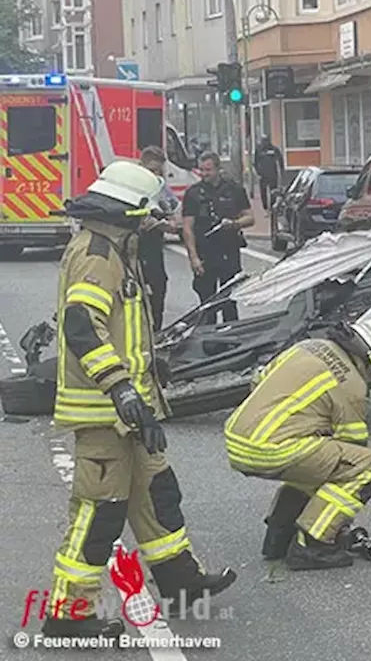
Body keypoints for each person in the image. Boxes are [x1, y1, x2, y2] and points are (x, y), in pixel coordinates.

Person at [44, 161, 235, 639]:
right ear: (129, 211)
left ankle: (179, 581)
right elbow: (82, 326)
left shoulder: (117, 248)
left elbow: (120, 328)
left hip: (132, 408)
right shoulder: (98, 253)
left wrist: (150, 370)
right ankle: (68, 614)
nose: (153, 223)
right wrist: (121, 386)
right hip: (105, 411)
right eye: (147, 214)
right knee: (100, 510)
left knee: (157, 493)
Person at [223, 307, 371, 570]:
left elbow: (258, 380)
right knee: (369, 467)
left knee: (317, 458)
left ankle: (279, 536)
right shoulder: (353, 385)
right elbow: (352, 449)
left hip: (237, 437)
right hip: (272, 447)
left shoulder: (308, 346)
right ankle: (313, 543)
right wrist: (338, 520)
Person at [182, 152, 253, 324]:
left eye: (208, 170)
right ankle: (207, 342)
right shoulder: (193, 194)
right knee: (207, 303)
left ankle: (231, 339)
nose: (205, 174)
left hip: (228, 251)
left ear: (218, 169)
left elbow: (250, 218)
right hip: (205, 252)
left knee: (229, 299)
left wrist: (235, 224)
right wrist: (193, 257)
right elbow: (187, 228)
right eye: (202, 170)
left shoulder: (234, 190)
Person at [138, 146, 179, 331]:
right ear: (142, 166)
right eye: (152, 170)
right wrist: (163, 224)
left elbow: (173, 206)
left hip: (154, 247)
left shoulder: (160, 185)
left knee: (159, 287)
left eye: (159, 171)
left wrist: (173, 219)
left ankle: (156, 334)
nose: (156, 175)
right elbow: (141, 220)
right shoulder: (134, 186)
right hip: (135, 249)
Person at [253, 136, 285, 211]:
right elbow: (255, 162)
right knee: (263, 192)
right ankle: (265, 207)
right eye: (263, 141)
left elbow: (280, 160)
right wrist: (258, 173)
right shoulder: (259, 150)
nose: (265, 143)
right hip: (262, 175)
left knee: (273, 191)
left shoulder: (274, 149)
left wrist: (281, 171)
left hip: (273, 174)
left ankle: (272, 207)